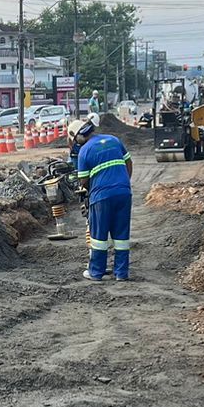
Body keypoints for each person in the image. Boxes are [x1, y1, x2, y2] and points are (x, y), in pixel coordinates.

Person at [70, 116, 133, 282]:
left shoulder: (84, 151)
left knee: (99, 236)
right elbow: (129, 163)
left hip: (102, 196)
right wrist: (124, 183)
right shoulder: (114, 140)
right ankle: (121, 273)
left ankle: (96, 272)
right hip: (124, 192)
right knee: (121, 235)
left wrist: (93, 192)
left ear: (78, 135)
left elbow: (83, 180)